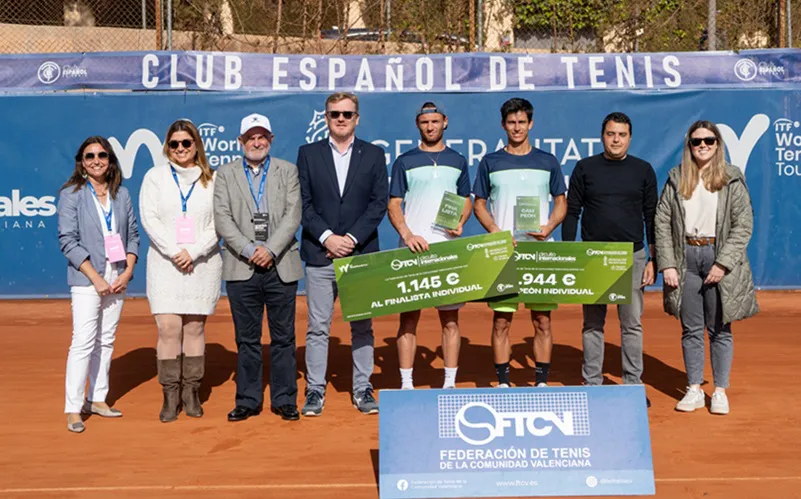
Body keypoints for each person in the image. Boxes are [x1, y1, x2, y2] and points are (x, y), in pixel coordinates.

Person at [655, 120, 758, 415]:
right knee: (690, 329)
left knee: (719, 329)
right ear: (689, 145)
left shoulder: (732, 178)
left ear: (717, 144)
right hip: (684, 257)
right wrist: (668, 264)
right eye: (697, 141)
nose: (703, 146)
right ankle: (694, 389)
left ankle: (720, 390)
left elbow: (743, 224)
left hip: (717, 255)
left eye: (709, 141)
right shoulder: (676, 178)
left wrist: (723, 263)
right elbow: (662, 222)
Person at [297, 92, 388, 416]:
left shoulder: (375, 155)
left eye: (347, 114)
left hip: (360, 254)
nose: (341, 119)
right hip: (320, 254)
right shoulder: (307, 154)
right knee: (318, 327)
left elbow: (379, 204)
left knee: (362, 326)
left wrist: (349, 238)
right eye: (335, 113)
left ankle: (363, 388)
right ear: (326, 118)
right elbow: (303, 204)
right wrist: (327, 238)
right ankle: (315, 391)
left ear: (357, 118)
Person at [214, 113, 303, 422]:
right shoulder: (224, 174)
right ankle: (248, 399)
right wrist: (252, 250)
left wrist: (270, 249)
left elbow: (294, 216)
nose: (256, 142)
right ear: (241, 141)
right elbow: (222, 218)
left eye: (261, 136)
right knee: (247, 339)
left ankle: (284, 399)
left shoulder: (288, 171)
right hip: (242, 266)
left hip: (281, 264)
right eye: (250, 137)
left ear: (270, 139)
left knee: (283, 338)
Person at [563, 112, 656, 406]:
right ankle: (593, 383)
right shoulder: (585, 168)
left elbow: (651, 216)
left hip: (632, 256)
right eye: (611, 134)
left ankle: (632, 385)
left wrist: (654, 258)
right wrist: (570, 254)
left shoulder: (643, 170)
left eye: (622, 135)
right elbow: (572, 211)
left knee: (631, 325)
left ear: (629, 137)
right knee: (593, 324)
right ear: (602, 136)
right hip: (593, 257)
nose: (616, 139)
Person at [473, 97, 567, 388]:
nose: (516, 127)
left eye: (521, 122)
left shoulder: (547, 161)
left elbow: (561, 203)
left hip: (539, 250)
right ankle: (503, 382)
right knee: (501, 321)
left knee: (543, 321)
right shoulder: (490, 161)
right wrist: (496, 232)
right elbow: (479, 205)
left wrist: (549, 226)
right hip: (504, 252)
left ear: (531, 124)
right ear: (503, 125)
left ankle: (540, 382)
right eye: (511, 122)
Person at [139, 119, 222, 422]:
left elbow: (219, 222)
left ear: (196, 145)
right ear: (167, 147)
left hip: (202, 263)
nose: (180, 149)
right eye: (174, 144)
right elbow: (149, 218)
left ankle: (191, 391)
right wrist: (175, 251)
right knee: (168, 328)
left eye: (186, 143)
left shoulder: (212, 179)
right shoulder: (155, 177)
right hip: (165, 263)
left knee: (195, 328)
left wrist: (195, 251)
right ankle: (170, 393)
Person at [388, 101, 472, 390]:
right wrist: (408, 234)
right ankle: (407, 384)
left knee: (450, 319)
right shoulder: (404, 161)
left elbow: (466, 200)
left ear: (445, 122)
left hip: (447, 250)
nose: (430, 127)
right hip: (413, 250)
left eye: (435, 121)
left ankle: (449, 382)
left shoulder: (459, 161)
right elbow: (394, 204)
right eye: (425, 122)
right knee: (409, 319)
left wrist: (460, 222)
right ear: (418, 124)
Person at [58, 136, 139, 433]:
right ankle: (73, 407)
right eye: (90, 155)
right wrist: (95, 277)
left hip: (117, 276)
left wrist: (127, 271)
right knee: (83, 341)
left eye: (102, 155)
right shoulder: (72, 195)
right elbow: (67, 240)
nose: (96, 160)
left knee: (106, 340)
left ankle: (98, 399)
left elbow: (132, 234)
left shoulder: (122, 195)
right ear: (81, 161)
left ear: (110, 160)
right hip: (87, 278)